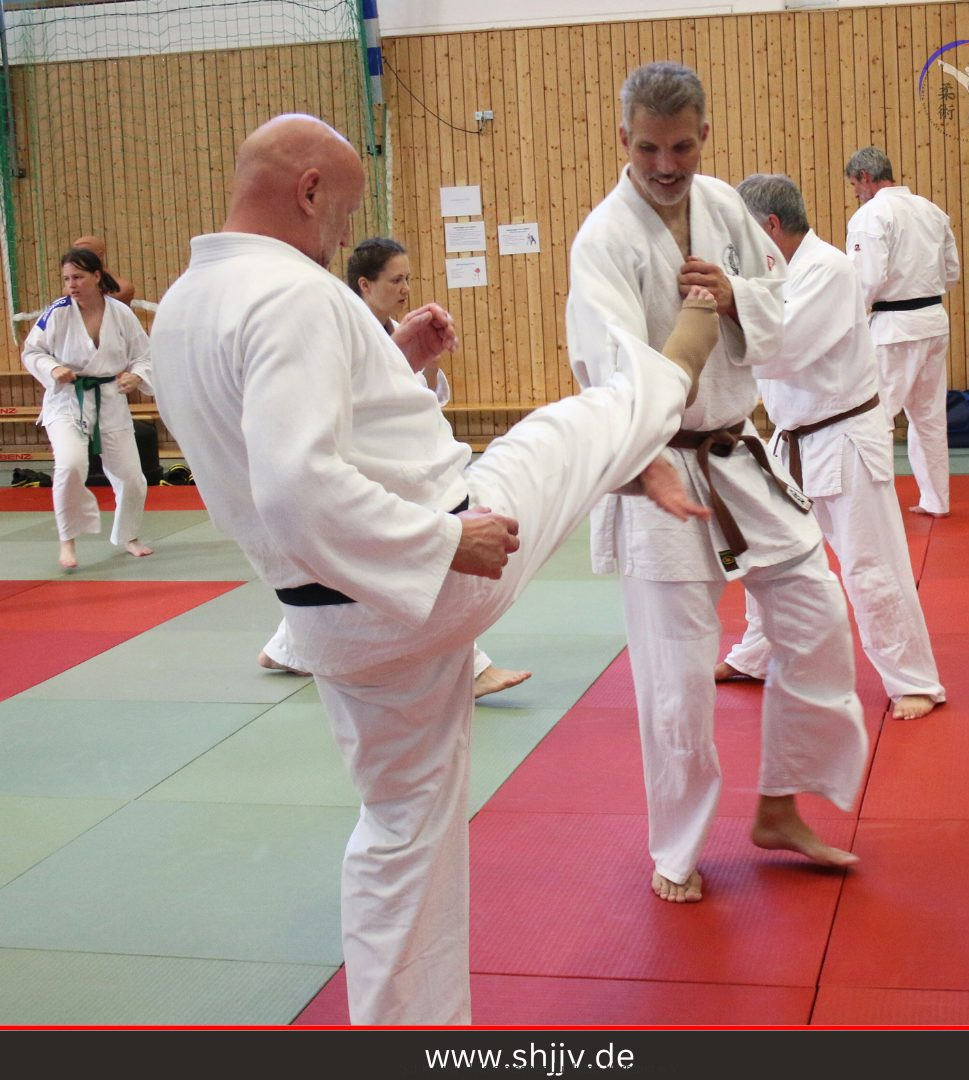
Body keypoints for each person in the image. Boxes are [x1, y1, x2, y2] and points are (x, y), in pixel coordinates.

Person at [149, 113, 718, 1025]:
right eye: (345, 211)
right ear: (308, 191)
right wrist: (445, 543)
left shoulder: (185, 304)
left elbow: (272, 441)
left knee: (400, 826)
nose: (344, 232)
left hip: (329, 617)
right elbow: (296, 484)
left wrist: (392, 363)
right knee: (571, 427)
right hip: (436, 568)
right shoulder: (292, 293)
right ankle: (683, 361)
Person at [567, 62, 868, 906]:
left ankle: (780, 805)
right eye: (650, 148)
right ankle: (677, 848)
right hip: (658, 460)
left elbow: (778, 300)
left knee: (817, 617)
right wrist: (640, 457)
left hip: (737, 452)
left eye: (682, 147)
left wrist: (734, 296)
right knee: (677, 674)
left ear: (704, 135)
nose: (667, 165)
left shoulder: (726, 206)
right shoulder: (603, 240)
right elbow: (607, 363)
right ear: (623, 139)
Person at [256, 235, 533, 701]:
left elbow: (422, 401)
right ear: (365, 284)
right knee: (423, 569)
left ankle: (283, 648)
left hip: (403, 463)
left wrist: (425, 359)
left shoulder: (393, 330)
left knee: (378, 575)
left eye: (407, 279)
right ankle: (474, 668)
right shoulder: (342, 331)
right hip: (362, 470)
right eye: (395, 280)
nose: (405, 289)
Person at [714, 173, 945, 722]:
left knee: (870, 566)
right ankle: (757, 655)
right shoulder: (770, 274)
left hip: (843, 440)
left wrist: (726, 309)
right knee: (766, 558)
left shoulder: (829, 270)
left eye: (743, 232)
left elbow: (781, 351)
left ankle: (913, 679)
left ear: (770, 226)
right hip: (790, 441)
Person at [844, 146, 960, 518]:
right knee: (929, 417)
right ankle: (936, 500)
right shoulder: (931, 210)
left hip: (893, 329)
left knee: (875, 417)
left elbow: (866, 280)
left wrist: (850, 324)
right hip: (933, 321)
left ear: (865, 177)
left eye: (854, 184)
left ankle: (873, 505)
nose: (855, 192)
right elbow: (952, 272)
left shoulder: (870, 215)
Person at [21, 247, 154, 569]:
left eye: (78, 277)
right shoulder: (56, 313)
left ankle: (129, 536)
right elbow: (32, 352)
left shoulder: (120, 313)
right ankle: (67, 540)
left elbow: (144, 354)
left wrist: (136, 376)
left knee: (131, 478)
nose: (72, 285)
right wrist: (53, 368)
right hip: (67, 399)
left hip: (109, 399)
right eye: (67, 279)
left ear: (97, 276)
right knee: (70, 465)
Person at [73, 235, 136, 306]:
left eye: (84, 255)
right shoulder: (71, 288)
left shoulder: (123, 288)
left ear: (100, 255)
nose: (78, 259)